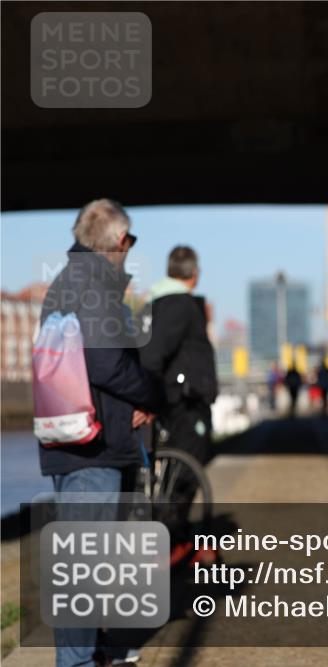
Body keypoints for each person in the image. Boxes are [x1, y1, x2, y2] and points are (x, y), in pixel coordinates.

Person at [37, 199, 163, 667]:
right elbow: (107, 362)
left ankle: (91, 651)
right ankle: (79, 661)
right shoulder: (91, 285)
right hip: (93, 446)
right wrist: (150, 395)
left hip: (78, 438)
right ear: (115, 242)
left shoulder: (71, 280)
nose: (129, 250)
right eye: (128, 241)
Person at [139, 245, 219, 564]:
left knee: (179, 473)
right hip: (184, 402)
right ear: (195, 274)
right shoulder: (179, 305)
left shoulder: (156, 302)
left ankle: (180, 539)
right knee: (183, 472)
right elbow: (153, 355)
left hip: (177, 399)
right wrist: (153, 396)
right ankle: (174, 542)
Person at [314, 353, 328, 418]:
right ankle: (325, 411)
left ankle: (324, 411)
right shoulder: (327, 370)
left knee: (324, 398)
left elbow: (318, 377)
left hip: (323, 385)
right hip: (326, 385)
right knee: (325, 398)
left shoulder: (320, 371)